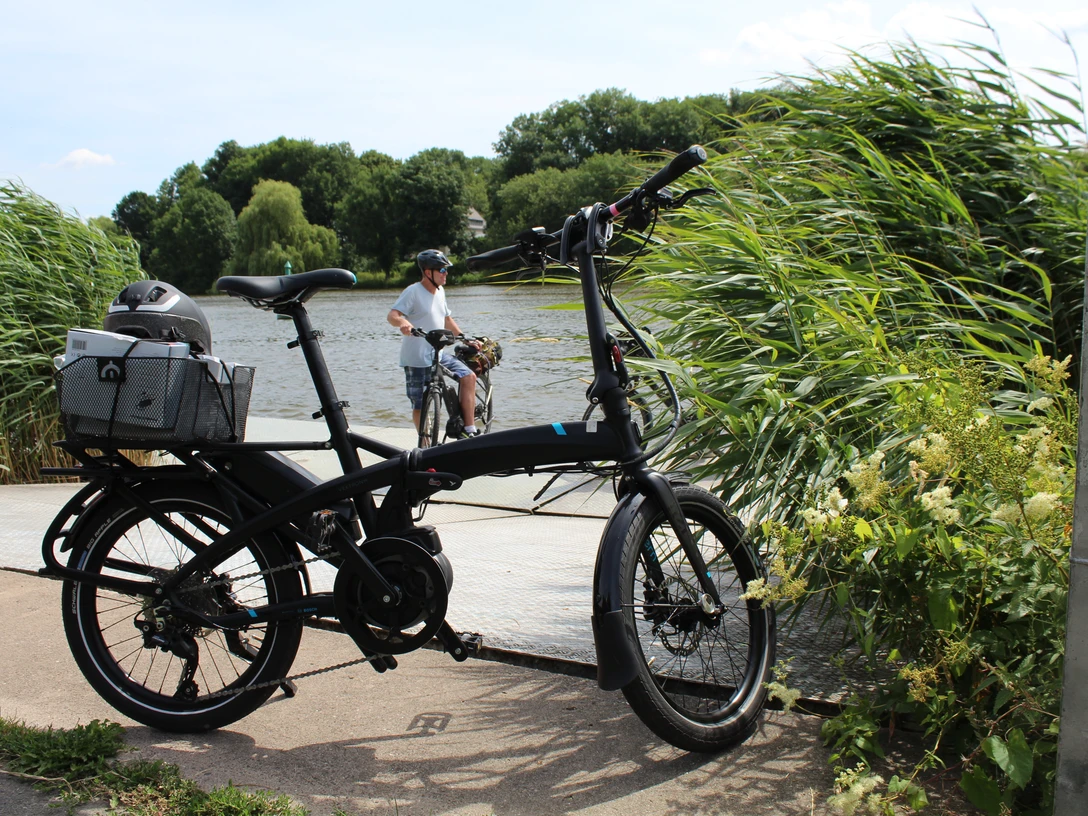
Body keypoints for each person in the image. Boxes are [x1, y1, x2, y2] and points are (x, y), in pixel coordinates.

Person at [387, 249, 480, 440]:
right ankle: (425, 440)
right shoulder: (413, 291)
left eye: (446, 270)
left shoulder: (440, 291)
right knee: (419, 405)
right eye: (442, 270)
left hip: (437, 354)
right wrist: (403, 323)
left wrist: (463, 336)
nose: (446, 274)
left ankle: (469, 429)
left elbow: (446, 319)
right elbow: (393, 315)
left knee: (468, 377)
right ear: (428, 272)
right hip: (416, 358)